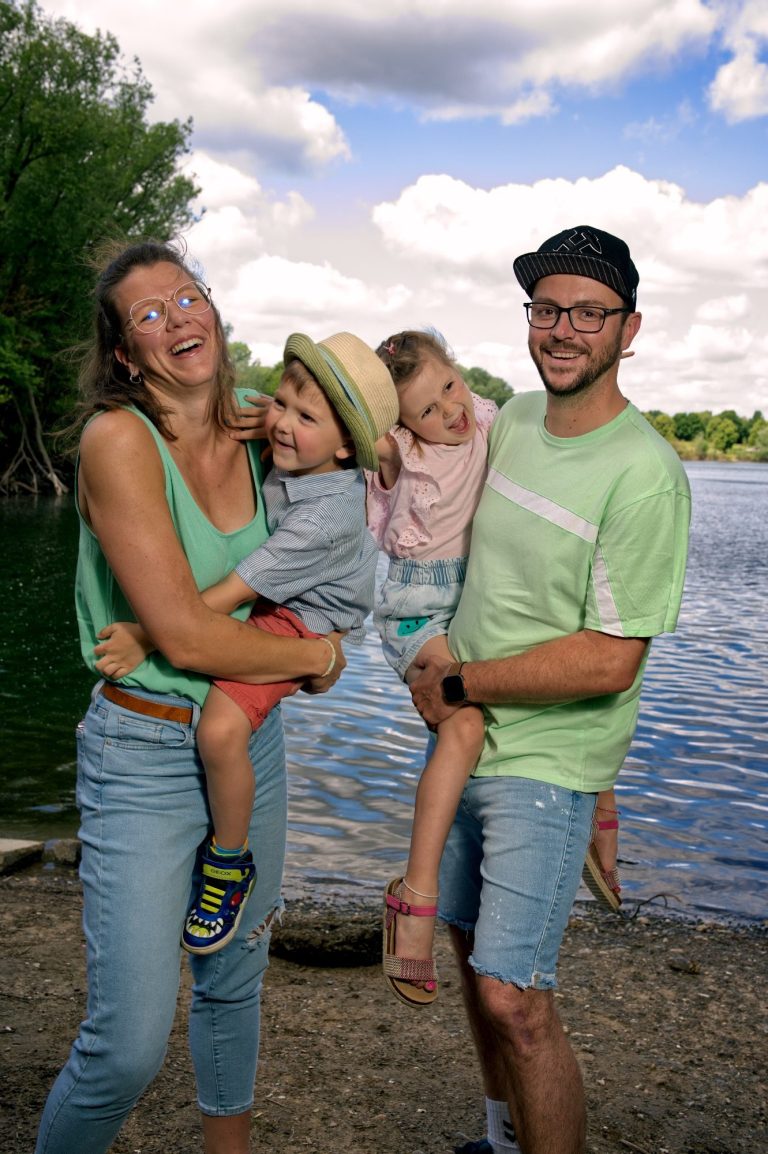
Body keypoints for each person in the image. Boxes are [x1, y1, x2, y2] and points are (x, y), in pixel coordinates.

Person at [34, 240, 363, 1154]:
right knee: (127, 1045)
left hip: (245, 748)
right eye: (149, 313)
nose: (178, 317)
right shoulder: (116, 440)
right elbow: (178, 635)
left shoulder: (267, 432)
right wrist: (312, 661)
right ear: (126, 352)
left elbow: (364, 500)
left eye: (189, 296)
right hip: (142, 751)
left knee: (232, 983)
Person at [410, 226, 691, 1154]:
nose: (563, 329)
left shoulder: (645, 474)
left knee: (514, 996)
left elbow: (612, 660)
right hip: (466, 743)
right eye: (546, 309)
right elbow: (421, 456)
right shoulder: (513, 421)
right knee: (465, 949)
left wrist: (457, 680)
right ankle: (499, 1142)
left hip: (544, 760)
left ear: (629, 328)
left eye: (588, 312)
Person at [93, 330, 398, 955]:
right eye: (283, 403)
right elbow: (254, 409)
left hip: (305, 617)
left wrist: (147, 635)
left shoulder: (325, 518)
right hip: (281, 597)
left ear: (344, 449)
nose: (283, 424)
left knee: (221, 731)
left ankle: (228, 863)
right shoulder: (298, 446)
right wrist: (262, 411)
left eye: (305, 417)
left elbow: (232, 591)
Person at [367, 330, 496, 1007]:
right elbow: (360, 436)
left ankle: (595, 797)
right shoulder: (401, 453)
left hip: (474, 608)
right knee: (465, 726)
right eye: (425, 408)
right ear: (400, 423)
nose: (448, 410)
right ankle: (415, 898)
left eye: (449, 385)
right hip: (417, 614)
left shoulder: (489, 417)